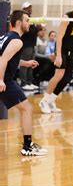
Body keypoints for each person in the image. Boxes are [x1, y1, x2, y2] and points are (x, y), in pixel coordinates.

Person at [0, 10, 47, 155]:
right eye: (27, 20)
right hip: (5, 80)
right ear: (19, 23)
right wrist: (0, 79)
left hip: (5, 78)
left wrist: (25, 63)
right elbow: (2, 59)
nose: (29, 23)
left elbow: (7, 57)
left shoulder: (6, 37)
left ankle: (28, 145)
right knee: (26, 108)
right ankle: (27, 147)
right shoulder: (17, 41)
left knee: (25, 108)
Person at [19, 2, 38, 91]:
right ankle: (23, 83)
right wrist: (37, 28)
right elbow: (26, 32)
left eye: (30, 7)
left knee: (31, 64)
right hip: (26, 45)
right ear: (23, 9)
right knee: (25, 64)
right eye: (27, 8)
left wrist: (37, 28)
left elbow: (33, 31)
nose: (30, 9)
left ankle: (29, 82)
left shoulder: (31, 19)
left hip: (32, 44)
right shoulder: (23, 19)